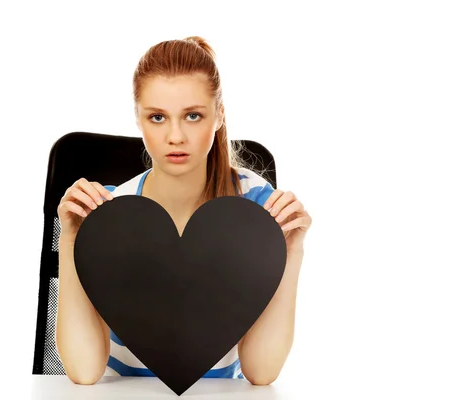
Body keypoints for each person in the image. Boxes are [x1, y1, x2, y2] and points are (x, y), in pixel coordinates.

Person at [56, 36, 312, 386]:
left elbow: (261, 372)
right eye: (157, 117)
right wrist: (71, 238)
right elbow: (84, 373)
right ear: (138, 119)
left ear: (219, 115)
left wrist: (293, 249)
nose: (175, 136)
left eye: (193, 116)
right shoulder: (111, 213)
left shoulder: (255, 208)